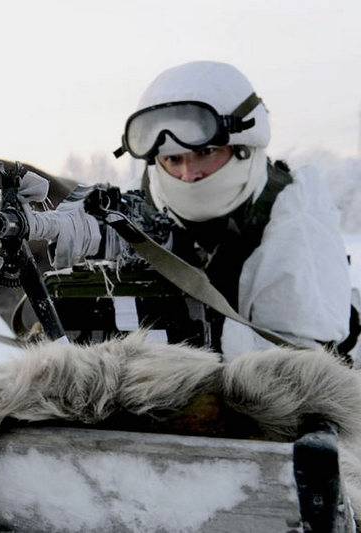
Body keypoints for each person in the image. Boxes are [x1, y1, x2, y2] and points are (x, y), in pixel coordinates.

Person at [26, 60, 353, 360]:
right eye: (173, 159)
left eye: (206, 152)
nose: (187, 174)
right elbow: (147, 234)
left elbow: (298, 367)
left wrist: (181, 329)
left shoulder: (295, 223)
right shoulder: (154, 194)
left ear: (244, 146)